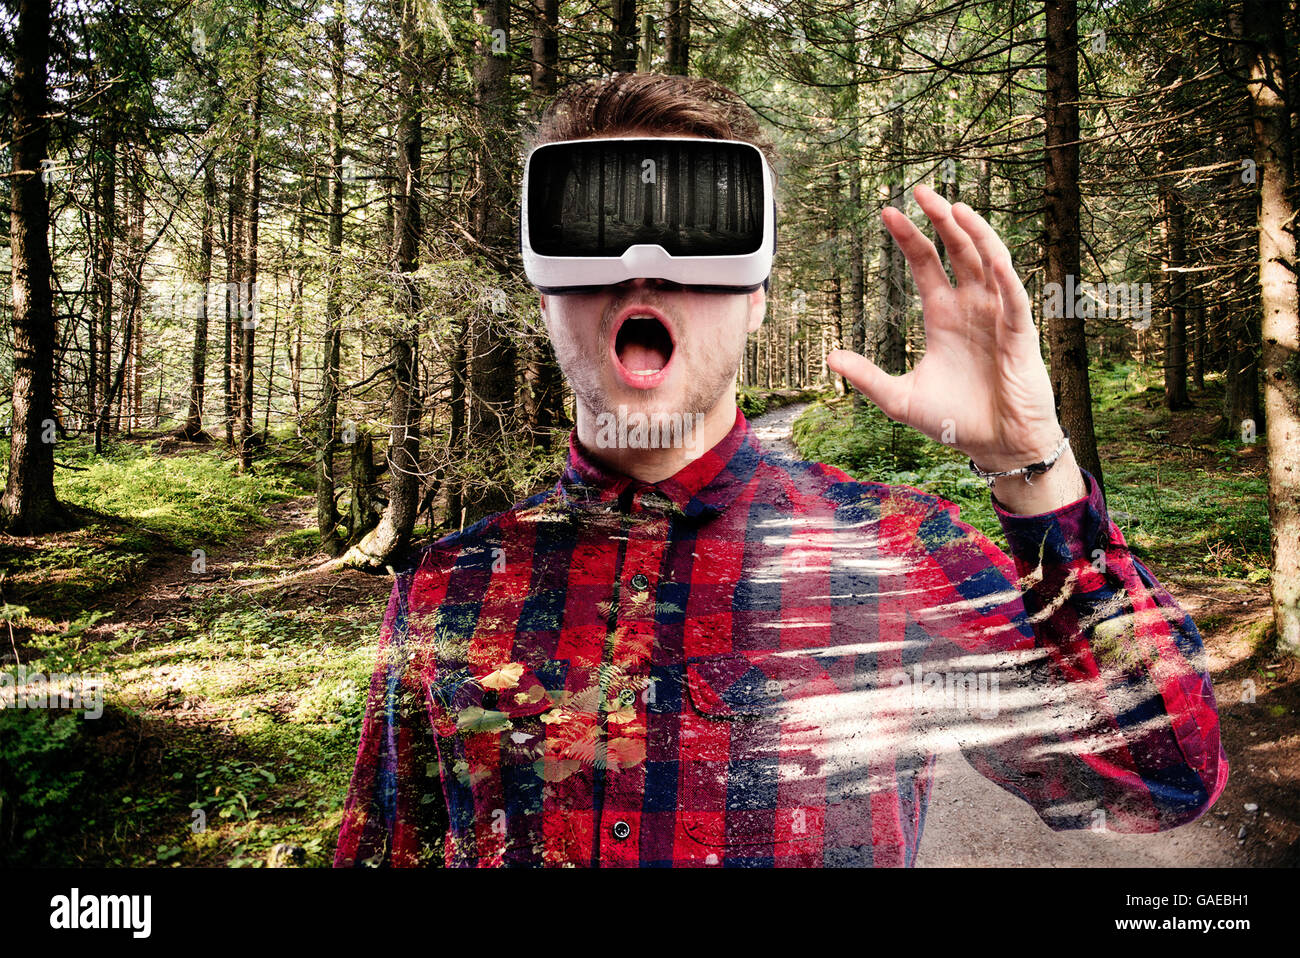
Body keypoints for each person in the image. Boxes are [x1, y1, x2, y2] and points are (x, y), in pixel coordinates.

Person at [334, 72, 1227, 868]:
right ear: (543, 287)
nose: (645, 275)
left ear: (757, 293)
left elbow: (1163, 777)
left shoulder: (897, 552)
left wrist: (1031, 462)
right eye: (597, 234)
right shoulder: (447, 589)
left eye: (697, 237)